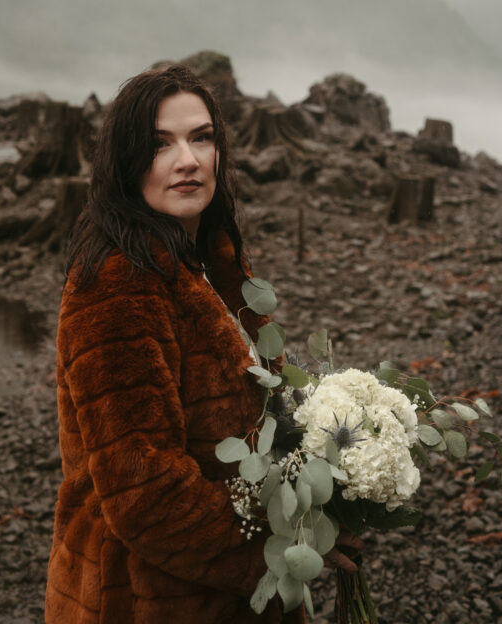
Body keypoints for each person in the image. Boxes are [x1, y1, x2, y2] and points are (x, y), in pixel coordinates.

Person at [45, 63, 357, 624]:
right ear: (125, 162)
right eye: (160, 144)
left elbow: (259, 410)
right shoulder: (118, 284)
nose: (187, 160)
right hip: (147, 596)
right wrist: (286, 545)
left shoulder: (212, 260)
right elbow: (145, 490)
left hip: (215, 586)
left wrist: (333, 477)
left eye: (201, 137)